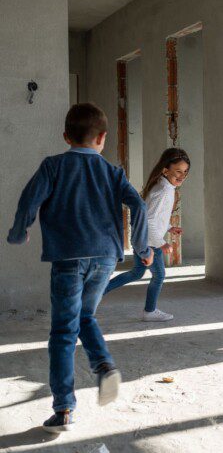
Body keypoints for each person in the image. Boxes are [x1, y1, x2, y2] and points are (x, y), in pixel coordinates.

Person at [6, 103, 153, 433]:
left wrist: (19, 232)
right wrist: (143, 249)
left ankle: (64, 409)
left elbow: (29, 200)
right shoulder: (113, 172)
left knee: (62, 331)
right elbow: (139, 205)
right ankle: (102, 365)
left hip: (68, 258)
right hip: (104, 258)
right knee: (85, 316)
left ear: (65, 136)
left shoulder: (54, 166)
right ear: (102, 137)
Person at [104, 148, 190, 322]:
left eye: (185, 172)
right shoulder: (164, 191)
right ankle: (149, 311)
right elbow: (149, 221)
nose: (182, 176)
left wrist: (169, 227)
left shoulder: (164, 185)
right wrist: (161, 243)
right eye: (178, 171)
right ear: (166, 170)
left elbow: (156, 218)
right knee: (159, 276)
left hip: (143, 239)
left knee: (136, 273)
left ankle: (97, 290)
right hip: (149, 242)